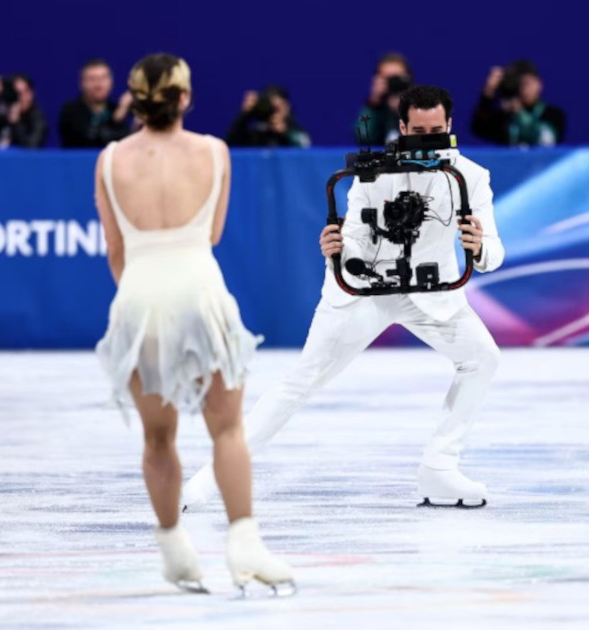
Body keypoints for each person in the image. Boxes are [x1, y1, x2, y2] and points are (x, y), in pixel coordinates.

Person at [184, 85, 504, 512]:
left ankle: (439, 466)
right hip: (364, 291)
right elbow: (352, 234)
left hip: (430, 293)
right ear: (403, 127)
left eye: (437, 130)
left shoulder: (472, 177)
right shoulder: (372, 173)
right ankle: (213, 477)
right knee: (301, 380)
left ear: (449, 126)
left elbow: (494, 255)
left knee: (483, 358)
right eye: (418, 130)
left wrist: (479, 245)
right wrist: (337, 248)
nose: (428, 139)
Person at [93, 52, 294, 594]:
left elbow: (115, 249)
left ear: (133, 98)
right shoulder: (214, 151)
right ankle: (244, 544)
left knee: (159, 437)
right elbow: (211, 235)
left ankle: (174, 547)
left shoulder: (110, 160)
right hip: (197, 285)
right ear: (185, 97)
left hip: (138, 294)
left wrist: (139, 300)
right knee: (226, 426)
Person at [472, 60, 566, 147]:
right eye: (520, 84)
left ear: (539, 84)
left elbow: (547, 141)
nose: (524, 90)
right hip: (511, 164)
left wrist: (520, 113)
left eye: (527, 83)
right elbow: (479, 129)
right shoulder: (505, 117)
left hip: (544, 164)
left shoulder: (553, 114)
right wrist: (488, 92)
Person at [59, 59, 132, 148]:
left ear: (111, 81)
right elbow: (91, 141)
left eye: (103, 78)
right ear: (82, 83)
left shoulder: (116, 109)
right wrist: (116, 120)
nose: (98, 85)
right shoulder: (70, 111)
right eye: (92, 79)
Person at [354, 52, 413, 145]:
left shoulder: (420, 104)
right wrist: (373, 103)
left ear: (408, 78)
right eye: (388, 79)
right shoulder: (375, 106)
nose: (393, 83)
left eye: (396, 78)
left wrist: (405, 108)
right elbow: (362, 136)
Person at [226, 85, 311, 148]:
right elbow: (230, 145)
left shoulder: (294, 130)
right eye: (271, 107)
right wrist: (244, 115)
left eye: (277, 108)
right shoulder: (257, 133)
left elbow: (304, 147)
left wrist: (286, 132)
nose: (274, 113)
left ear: (287, 107)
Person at [0, 74, 48, 148]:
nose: (20, 97)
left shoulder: (38, 118)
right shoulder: (1, 116)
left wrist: (16, 123)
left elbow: (32, 146)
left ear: (31, 94)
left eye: (24, 92)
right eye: (16, 93)